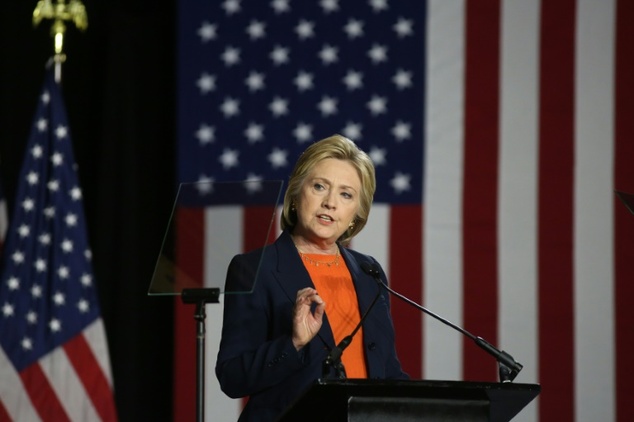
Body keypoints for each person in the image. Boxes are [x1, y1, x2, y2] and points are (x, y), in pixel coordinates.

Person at [215, 134, 408, 422]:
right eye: (320, 187)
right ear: (296, 194)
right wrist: (294, 342)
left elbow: (387, 370)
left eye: (346, 194)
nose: (330, 203)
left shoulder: (370, 273)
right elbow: (232, 377)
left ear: (356, 213)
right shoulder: (255, 268)